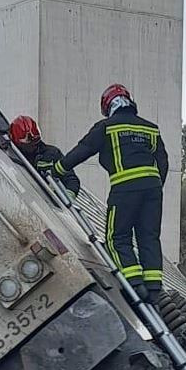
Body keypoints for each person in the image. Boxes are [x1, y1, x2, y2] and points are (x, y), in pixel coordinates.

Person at [51, 84, 168, 302]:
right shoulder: (151, 128)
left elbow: (83, 150)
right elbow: (163, 161)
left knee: (117, 238)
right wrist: (154, 186)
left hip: (124, 188)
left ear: (108, 107)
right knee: (149, 237)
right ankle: (153, 288)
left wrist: (58, 169)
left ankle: (135, 286)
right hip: (153, 189)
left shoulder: (106, 127)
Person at [9, 115, 81, 199]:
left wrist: (67, 199)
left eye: (35, 142)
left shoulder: (52, 154)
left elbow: (71, 179)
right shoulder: (12, 155)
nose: (32, 146)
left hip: (50, 205)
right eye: (27, 144)